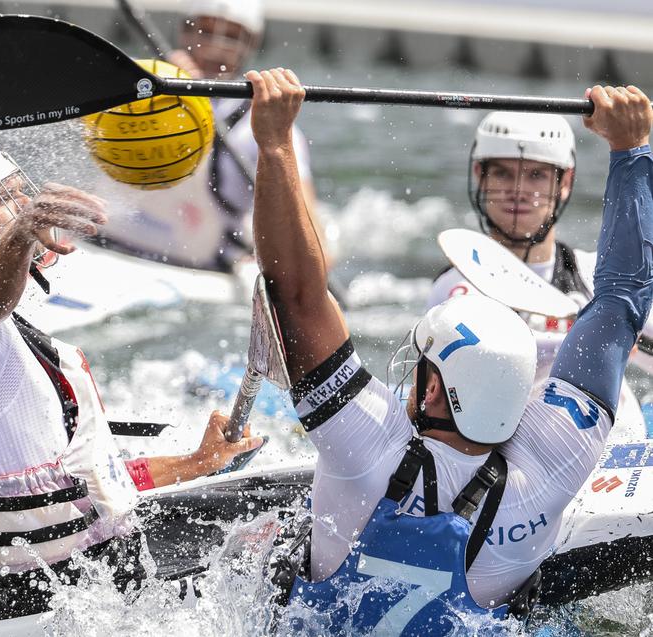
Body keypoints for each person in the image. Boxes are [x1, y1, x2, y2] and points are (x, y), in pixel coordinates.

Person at [247, 67, 653, 634]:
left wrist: (271, 142)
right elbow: (620, 306)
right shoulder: (554, 465)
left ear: (432, 386)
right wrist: (633, 150)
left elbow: (294, 290)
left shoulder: (364, 447)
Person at [0, 139, 262, 623]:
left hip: (75, 583)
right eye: (5, 202)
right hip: (49, 597)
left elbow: (83, 486)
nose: (25, 210)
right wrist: (20, 236)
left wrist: (195, 463)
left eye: (24, 196)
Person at [427, 110, 653, 431]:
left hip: (609, 447)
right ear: (480, 174)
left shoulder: (594, 275)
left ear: (565, 182)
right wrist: (598, 338)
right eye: (503, 173)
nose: (518, 190)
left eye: (536, 175)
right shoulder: (453, 288)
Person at [99, 0, 325, 273]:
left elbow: (317, 251)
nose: (215, 47)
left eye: (230, 36)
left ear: (250, 44)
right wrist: (163, 82)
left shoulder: (266, 126)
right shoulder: (136, 84)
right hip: (103, 248)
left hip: (200, 271)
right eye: (205, 31)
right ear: (184, 32)